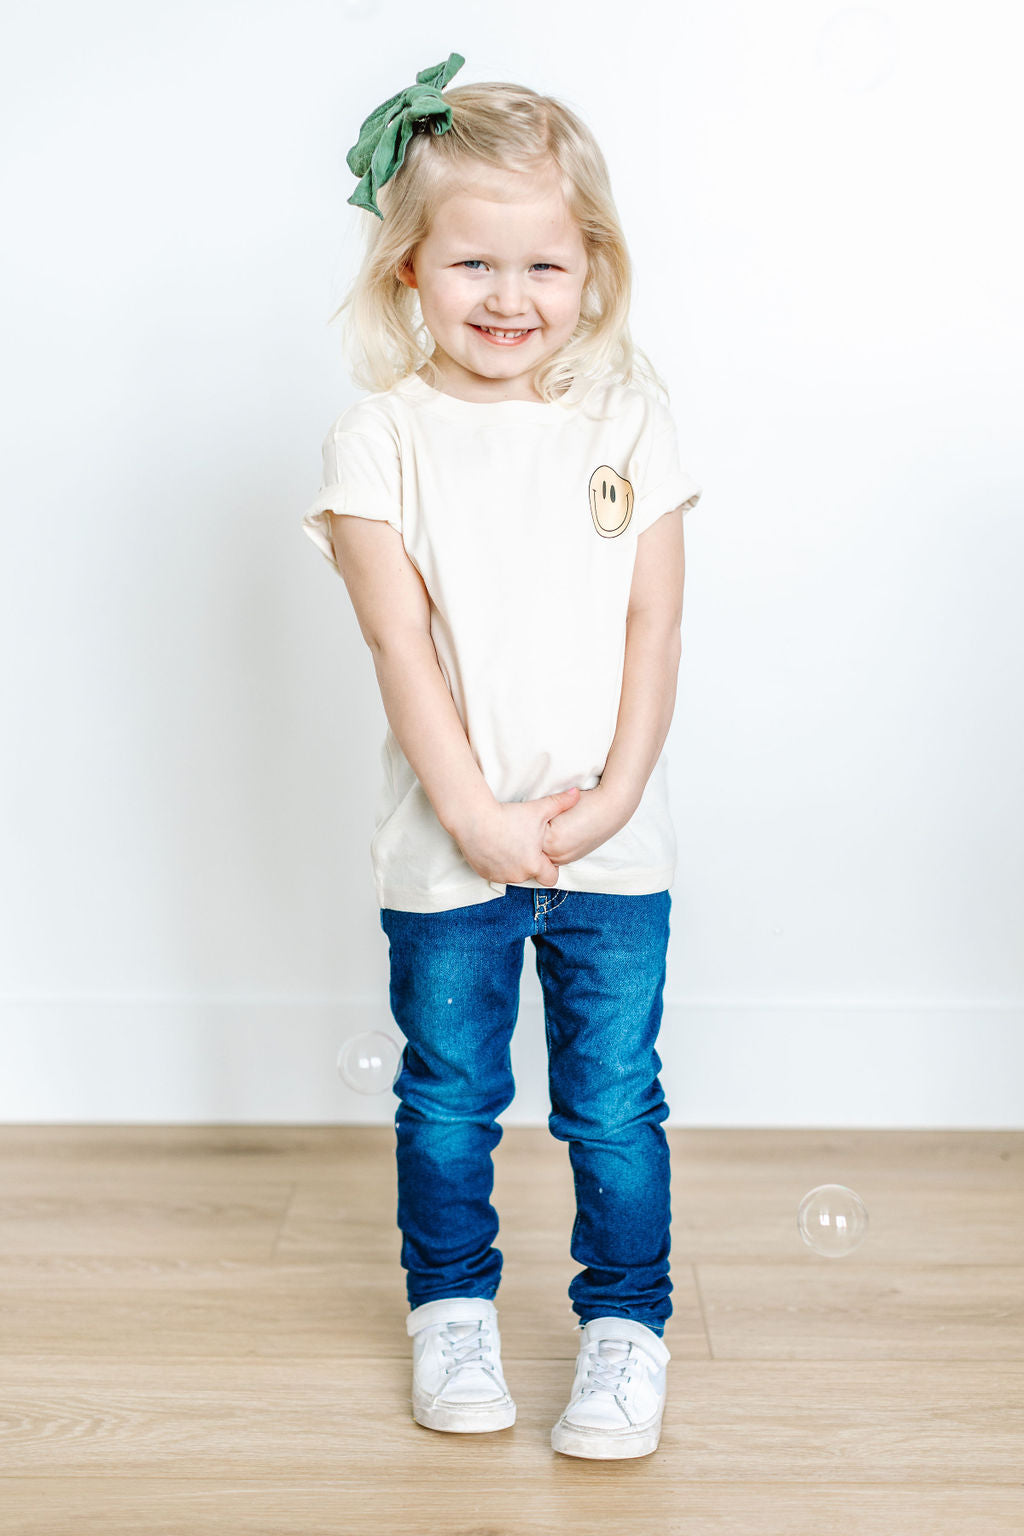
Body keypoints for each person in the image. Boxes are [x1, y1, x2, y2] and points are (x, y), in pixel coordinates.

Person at [300, 52, 703, 1460]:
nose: (508, 296)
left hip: (610, 846)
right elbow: (398, 644)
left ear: (591, 268)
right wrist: (476, 817)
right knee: (450, 1099)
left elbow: (654, 623)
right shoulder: (382, 438)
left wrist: (616, 796)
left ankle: (627, 1326)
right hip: (448, 849)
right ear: (408, 267)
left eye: (543, 264)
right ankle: (452, 1309)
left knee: (613, 1104)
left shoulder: (629, 418)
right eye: (472, 261)